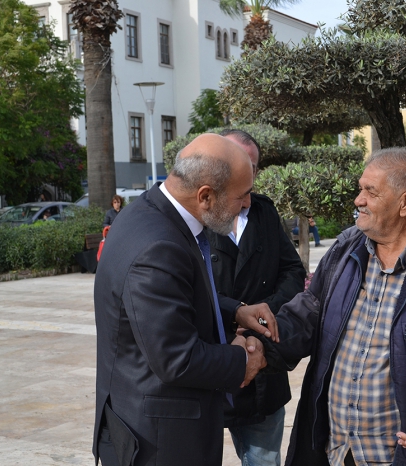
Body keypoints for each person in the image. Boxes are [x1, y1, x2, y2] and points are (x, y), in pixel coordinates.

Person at [255, 148, 406, 466]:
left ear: (405, 203)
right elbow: (309, 311)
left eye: (370, 192)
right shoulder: (345, 252)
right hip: (338, 450)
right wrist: (262, 345)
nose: (358, 200)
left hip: (402, 455)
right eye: (360, 189)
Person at [93, 133, 279, 466]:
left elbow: (173, 296)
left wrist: (235, 311)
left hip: (146, 423)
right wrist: (242, 358)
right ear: (205, 196)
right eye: (241, 196)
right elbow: (177, 358)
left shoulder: (151, 214)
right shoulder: (158, 246)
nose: (247, 204)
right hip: (160, 443)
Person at [204, 129, 307, 466]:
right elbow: (188, 289)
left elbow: (292, 270)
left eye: (250, 167)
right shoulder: (197, 217)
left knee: (263, 459)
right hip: (211, 358)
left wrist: (262, 316)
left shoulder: (263, 211)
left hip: (262, 359)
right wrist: (235, 313)